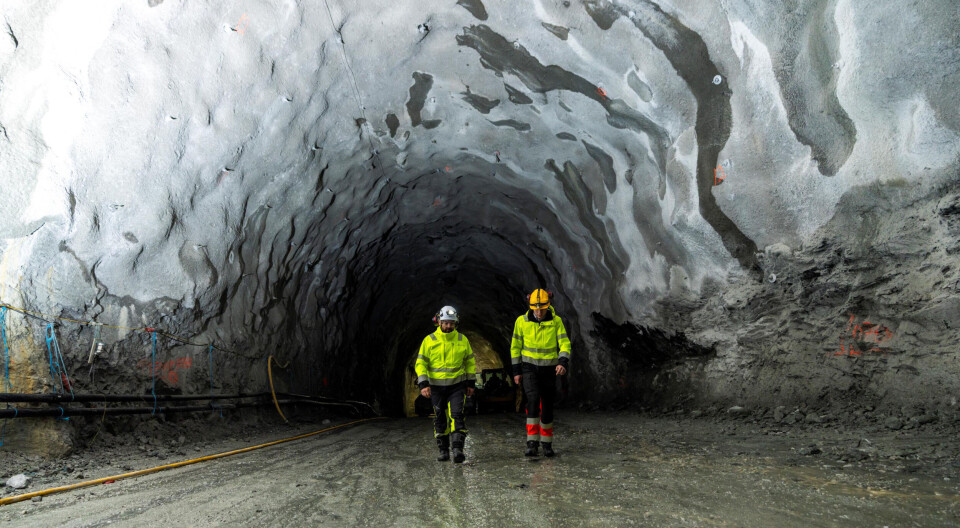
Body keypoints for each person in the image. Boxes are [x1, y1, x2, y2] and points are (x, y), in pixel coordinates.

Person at [510, 289, 571, 457]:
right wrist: (516, 371)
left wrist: (562, 362)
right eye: (536, 309)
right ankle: (532, 442)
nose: (539, 312)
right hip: (529, 368)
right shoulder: (521, 322)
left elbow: (564, 343)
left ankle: (547, 443)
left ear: (548, 305)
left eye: (542, 309)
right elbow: (515, 347)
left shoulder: (556, 322)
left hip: (549, 370)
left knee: (547, 405)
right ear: (531, 306)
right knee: (533, 401)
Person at [415, 306, 476, 463]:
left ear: (456, 323)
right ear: (439, 322)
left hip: (457, 386)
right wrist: (423, 384)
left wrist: (470, 383)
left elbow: (470, 362)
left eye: (452, 323)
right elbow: (420, 364)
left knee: (457, 415)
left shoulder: (462, 340)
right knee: (440, 417)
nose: (449, 326)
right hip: (436, 388)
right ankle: (443, 451)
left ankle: (457, 449)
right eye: (446, 323)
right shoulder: (429, 341)